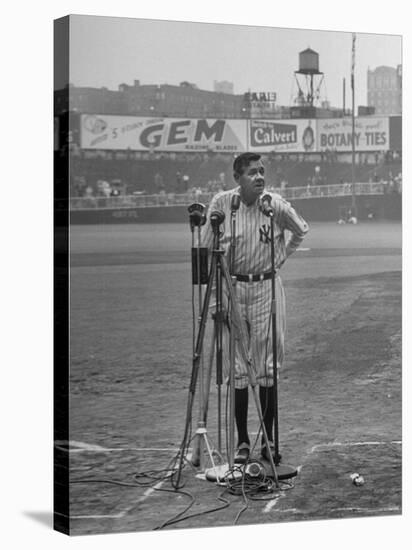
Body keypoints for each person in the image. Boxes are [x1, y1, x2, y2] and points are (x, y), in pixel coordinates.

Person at [201, 152, 309, 464]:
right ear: (237, 178)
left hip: (266, 288)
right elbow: (210, 250)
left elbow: (301, 229)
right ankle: (243, 442)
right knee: (237, 369)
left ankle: (269, 440)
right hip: (233, 288)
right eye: (251, 173)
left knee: (267, 367)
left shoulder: (274, 204)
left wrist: (281, 258)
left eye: (261, 172)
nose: (259, 177)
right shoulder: (222, 204)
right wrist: (218, 298)